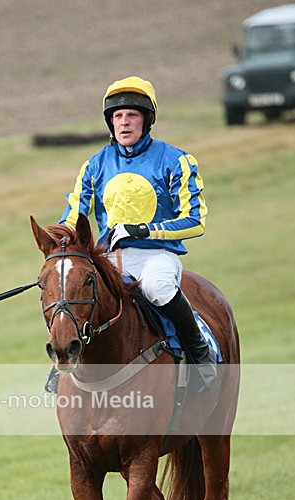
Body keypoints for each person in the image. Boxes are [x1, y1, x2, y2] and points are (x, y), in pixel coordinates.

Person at [57, 76, 216, 393]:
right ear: (110, 122)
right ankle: (64, 366)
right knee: (74, 292)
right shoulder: (94, 165)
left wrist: (142, 229)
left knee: (157, 287)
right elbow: (74, 214)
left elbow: (195, 221)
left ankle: (200, 352)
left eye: (132, 115)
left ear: (148, 120)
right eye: (117, 116)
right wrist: (61, 241)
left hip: (158, 255)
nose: (124, 122)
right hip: (110, 258)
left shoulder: (177, 160)